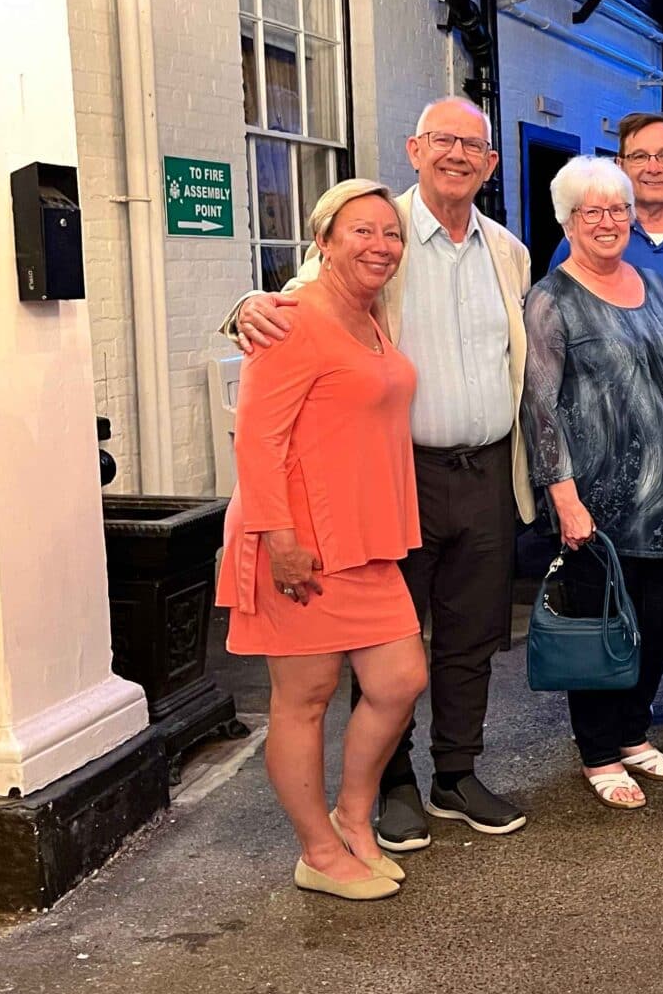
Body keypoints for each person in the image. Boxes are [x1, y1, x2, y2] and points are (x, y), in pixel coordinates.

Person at [228, 97, 534, 854]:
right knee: (388, 641)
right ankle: (393, 789)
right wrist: (245, 306)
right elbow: (297, 302)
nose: (458, 155)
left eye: (473, 145)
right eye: (443, 141)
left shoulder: (508, 251)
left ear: (491, 163)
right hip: (400, 476)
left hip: (487, 468)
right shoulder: (379, 230)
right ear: (414, 149)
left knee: (471, 635)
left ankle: (456, 773)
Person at [217, 180, 426, 901]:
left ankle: (353, 818)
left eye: (391, 233)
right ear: (324, 241)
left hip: (366, 538)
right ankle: (318, 852)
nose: (381, 245)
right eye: (362, 231)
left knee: (400, 680)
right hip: (299, 542)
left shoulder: (371, 315)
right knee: (304, 698)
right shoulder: (291, 320)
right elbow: (258, 439)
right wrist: (279, 538)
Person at [552, 112, 663, 743]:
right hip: (606, 467)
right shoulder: (567, 266)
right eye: (639, 157)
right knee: (615, 599)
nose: (653, 167)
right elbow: (547, 385)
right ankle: (610, 730)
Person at [524, 156, 663, 809]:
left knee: (658, 622)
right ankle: (598, 751)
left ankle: (631, 733)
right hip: (594, 500)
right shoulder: (552, 298)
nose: (607, 221)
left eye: (618, 209)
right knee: (599, 629)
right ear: (568, 221)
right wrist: (563, 498)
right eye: (591, 211)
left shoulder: (653, 284)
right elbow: (540, 407)